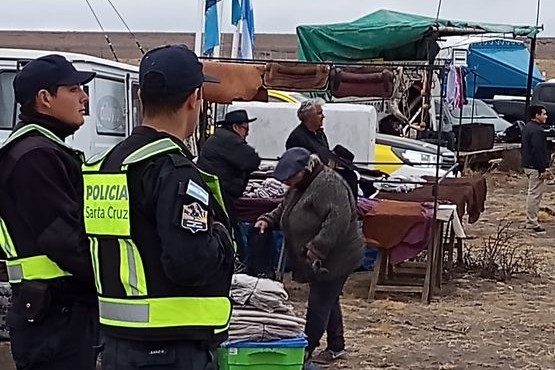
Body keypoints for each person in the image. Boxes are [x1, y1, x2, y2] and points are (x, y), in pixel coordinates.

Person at [82, 44, 235, 370]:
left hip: (117, 343)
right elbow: (189, 263)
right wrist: (222, 239)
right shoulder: (175, 172)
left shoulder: (104, 167)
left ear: (141, 98)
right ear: (195, 98)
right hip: (171, 348)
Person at [0, 55, 98, 369]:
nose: (84, 98)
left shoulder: (43, 151)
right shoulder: (35, 157)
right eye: (73, 89)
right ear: (45, 98)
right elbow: (64, 241)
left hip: (56, 313)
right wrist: (113, 277)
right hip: (55, 319)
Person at [254, 147, 364, 369]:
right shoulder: (301, 185)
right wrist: (268, 219)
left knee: (319, 303)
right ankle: (336, 347)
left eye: (291, 177)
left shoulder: (328, 184)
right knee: (328, 299)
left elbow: (337, 221)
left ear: (305, 170)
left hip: (337, 255)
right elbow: (286, 207)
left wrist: (316, 249)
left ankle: (305, 349)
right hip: (321, 256)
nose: (288, 183)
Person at [197, 109, 261, 260]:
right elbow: (252, 159)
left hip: (218, 190)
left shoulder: (220, 138)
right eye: (245, 128)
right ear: (235, 127)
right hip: (219, 193)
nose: (247, 133)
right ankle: (236, 260)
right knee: (229, 231)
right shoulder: (227, 140)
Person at [521, 105, 550, 232]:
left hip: (528, 165)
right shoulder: (538, 131)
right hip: (535, 167)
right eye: (543, 114)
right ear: (537, 115)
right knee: (534, 194)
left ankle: (531, 220)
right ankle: (532, 222)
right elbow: (538, 151)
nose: (546, 116)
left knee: (533, 193)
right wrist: (542, 168)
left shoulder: (527, 127)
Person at [285, 99, 332, 164]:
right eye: (319, 113)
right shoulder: (297, 138)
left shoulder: (320, 134)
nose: (323, 116)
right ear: (309, 117)